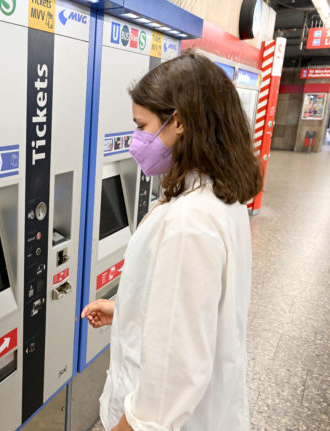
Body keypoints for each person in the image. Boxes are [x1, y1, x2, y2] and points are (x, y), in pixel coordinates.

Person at [81, 52, 263, 431]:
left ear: (177, 121)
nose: (137, 140)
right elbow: (196, 310)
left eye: (142, 125)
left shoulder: (190, 222)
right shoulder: (219, 198)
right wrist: (127, 311)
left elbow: (172, 379)